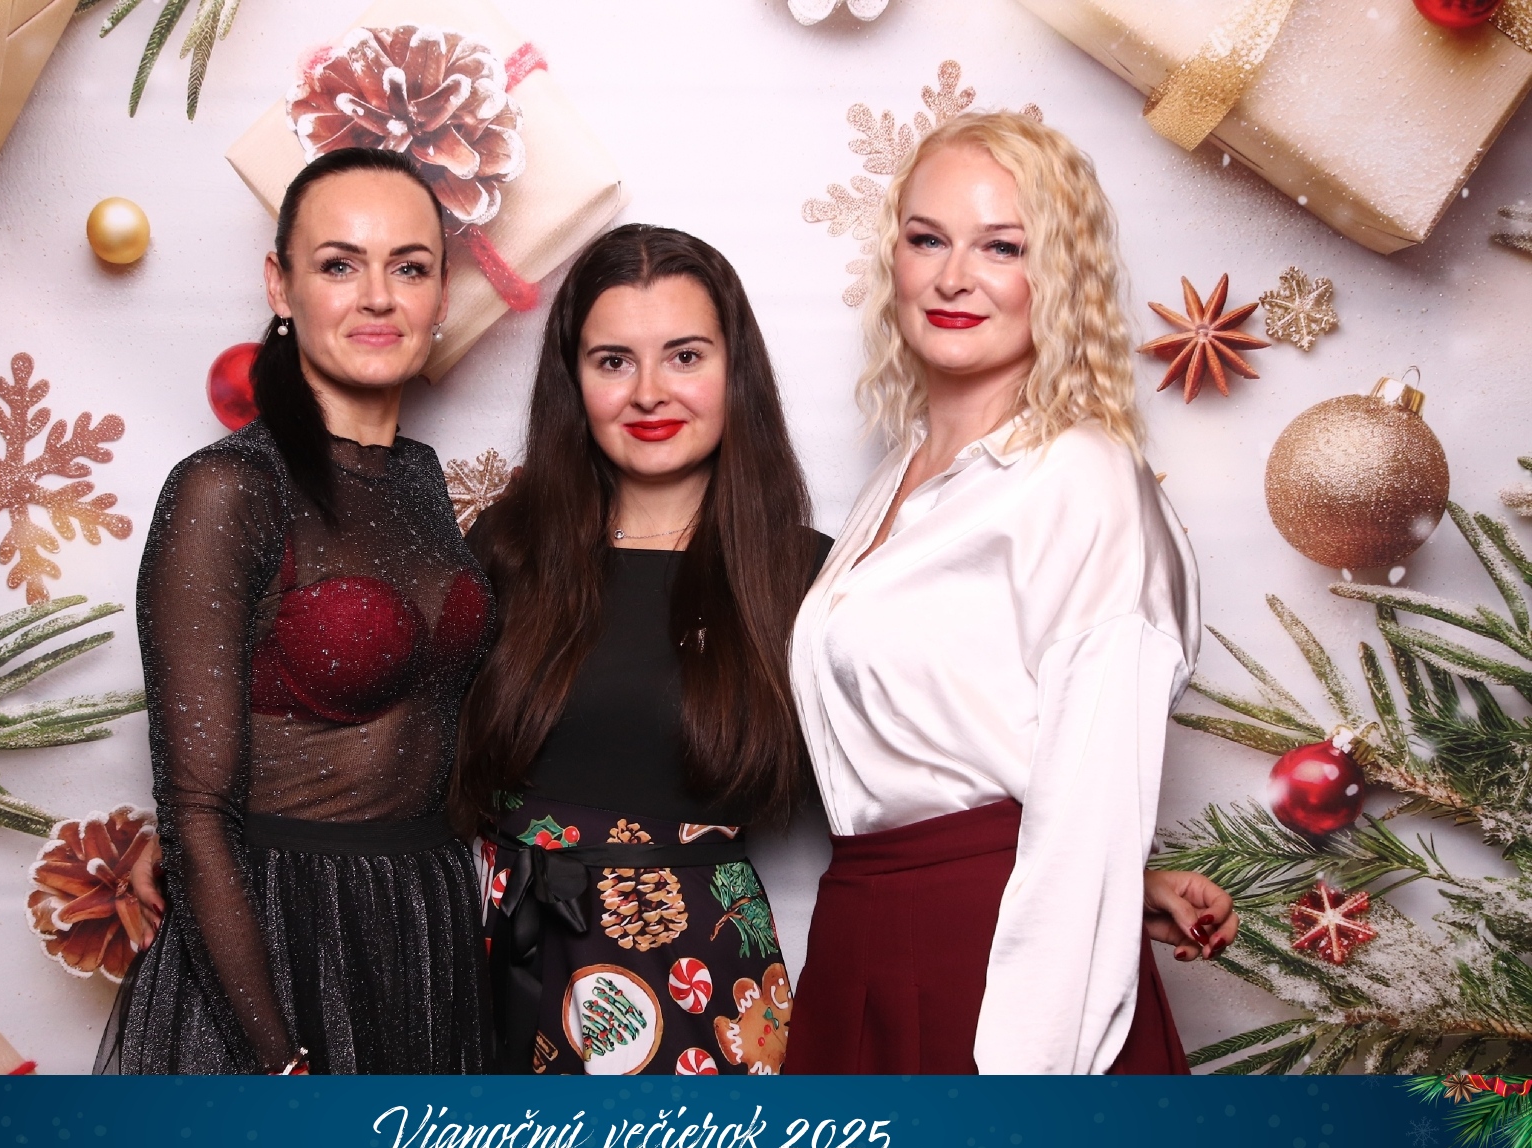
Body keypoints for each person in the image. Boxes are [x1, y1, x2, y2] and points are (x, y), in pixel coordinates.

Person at [786, 111, 1227, 1075]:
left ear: (1058, 274)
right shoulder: (899, 477)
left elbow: (1085, 809)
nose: (954, 277)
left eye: (1002, 247)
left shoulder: (1081, 478)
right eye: (927, 239)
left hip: (999, 971)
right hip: (862, 931)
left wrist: (1029, 1085)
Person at [98, 146, 492, 1075]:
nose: (379, 298)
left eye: (410, 267)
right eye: (339, 265)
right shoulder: (227, 488)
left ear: (442, 294)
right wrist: (279, 1061)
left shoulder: (421, 482)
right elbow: (196, 813)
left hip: (423, 927)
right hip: (275, 936)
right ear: (280, 285)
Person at [453, 225, 823, 1076]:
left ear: (736, 371)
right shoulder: (505, 551)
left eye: (685, 356)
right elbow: (405, 752)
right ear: (573, 380)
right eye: (614, 361)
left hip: (702, 983)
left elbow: (914, 783)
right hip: (508, 964)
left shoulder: (803, 576)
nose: (650, 393)